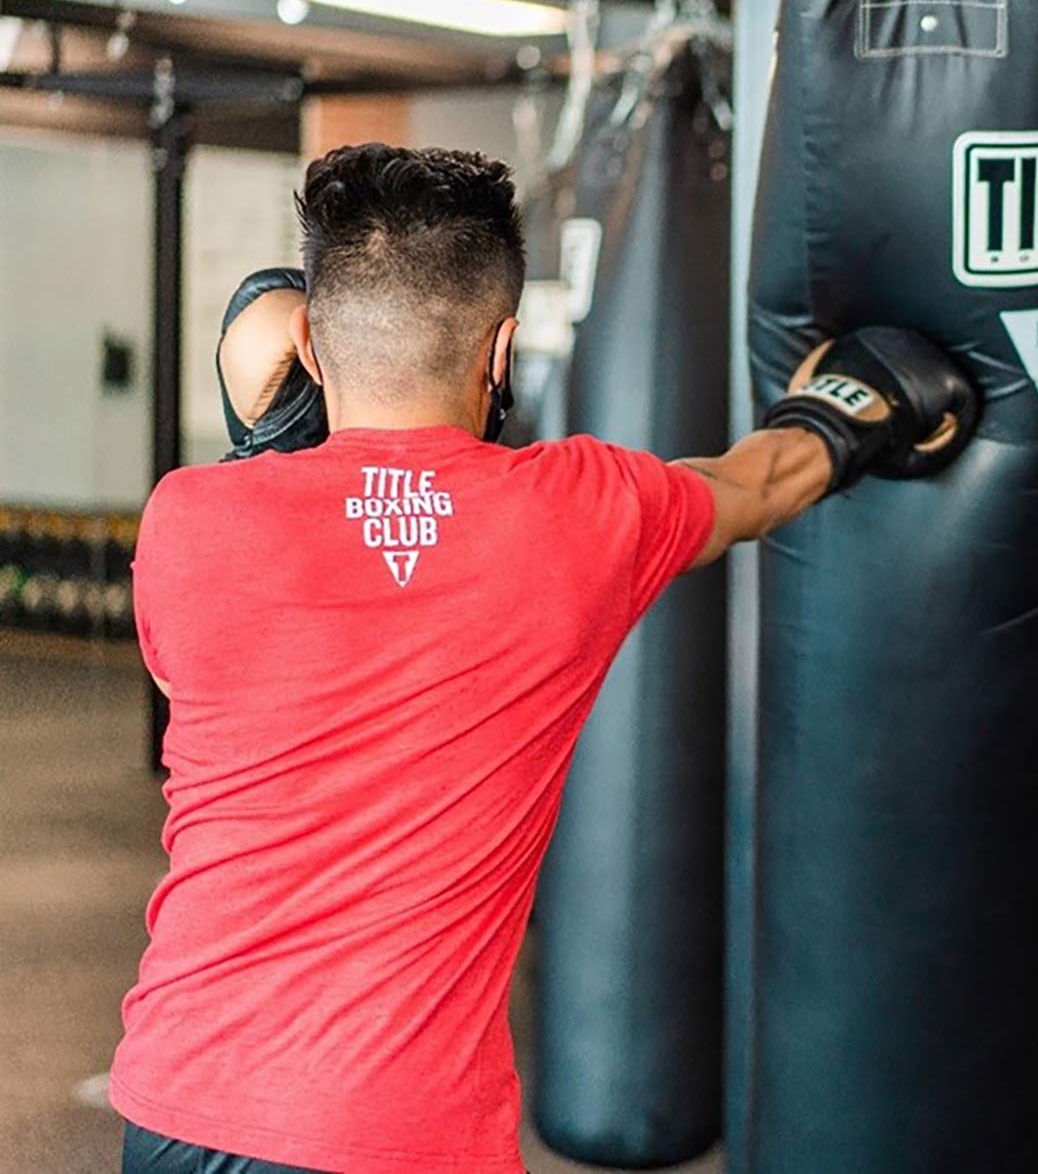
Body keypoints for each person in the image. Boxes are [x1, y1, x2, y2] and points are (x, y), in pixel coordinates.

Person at [112, 143, 977, 1174]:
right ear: (504, 347)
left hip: (179, 1104)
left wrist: (265, 447)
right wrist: (853, 402)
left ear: (314, 339)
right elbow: (759, 486)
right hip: (395, 1139)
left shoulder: (189, 520)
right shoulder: (582, 512)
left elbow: (196, 690)